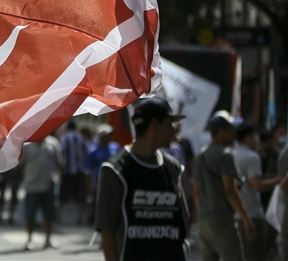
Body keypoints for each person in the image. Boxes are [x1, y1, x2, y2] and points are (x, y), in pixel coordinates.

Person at [94, 97, 187, 260]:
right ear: (155, 125)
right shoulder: (115, 170)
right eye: (170, 123)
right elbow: (107, 231)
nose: (174, 130)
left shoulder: (174, 168)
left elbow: (184, 222)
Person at [194, 111, 256, 261]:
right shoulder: (225, 155)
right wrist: (246, 218)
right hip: (222, 219)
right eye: (231, 130)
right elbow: (230, 190)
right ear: (222, 132)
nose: (234, 133)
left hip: (204, 220)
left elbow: (196, 191)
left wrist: (203, 213)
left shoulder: (201, 155)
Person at [233, 123, 282, 261]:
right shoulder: (252, 157)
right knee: (255, 255)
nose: (257, 141)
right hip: (252, 213)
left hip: (236, 213)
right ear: (248, 138)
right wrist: (279, 180)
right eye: (255, 137)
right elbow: (257, 185)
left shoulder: (232, 154)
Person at [19, 134, 62, 250]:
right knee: (30, 214)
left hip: (48, 185)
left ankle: (48, 238)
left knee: (49, 213)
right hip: (32, 186)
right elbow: (21, 164)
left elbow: (58, 163)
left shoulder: (53, 144)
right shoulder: (27, 146)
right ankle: (29, 239)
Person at [85, 124, 120, 225]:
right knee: (100, 206)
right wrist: (90, 188)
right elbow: (88, 171)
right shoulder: (93, 151)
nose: (110, 138)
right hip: (98, 184)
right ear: (102, 137)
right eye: (108, 136)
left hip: (114, 183)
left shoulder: (115, 148)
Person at [60, 120, 89, 225]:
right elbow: (87, 151)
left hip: (67, 170)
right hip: (80, 170)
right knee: (80, 196)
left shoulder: (65, 138)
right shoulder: (81, 138)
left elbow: (62, 151)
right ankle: (79, 217)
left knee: (63, 195)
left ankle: (59, 215)